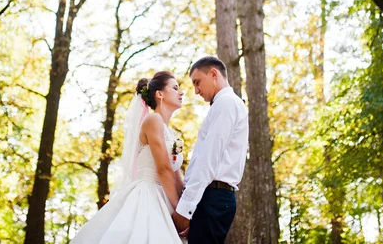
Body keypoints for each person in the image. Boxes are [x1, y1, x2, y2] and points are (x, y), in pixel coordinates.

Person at [70, 71, 186, 243]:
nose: (181, 92)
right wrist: (180, 211)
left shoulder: (171, 133)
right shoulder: (153, 120)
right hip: (148, 196)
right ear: (159, 94)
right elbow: (163, 169)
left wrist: (187, 208)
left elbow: (176, 176)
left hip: (166, 197)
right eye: (175, 88)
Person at [172, 56, 249, 244]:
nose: (196, 91)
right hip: (212, 197)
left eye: (197, 83)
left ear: (213, 74)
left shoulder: (227, 104)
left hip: (213, 198)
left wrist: (185, 209)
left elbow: (209, 159)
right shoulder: (224, 105)